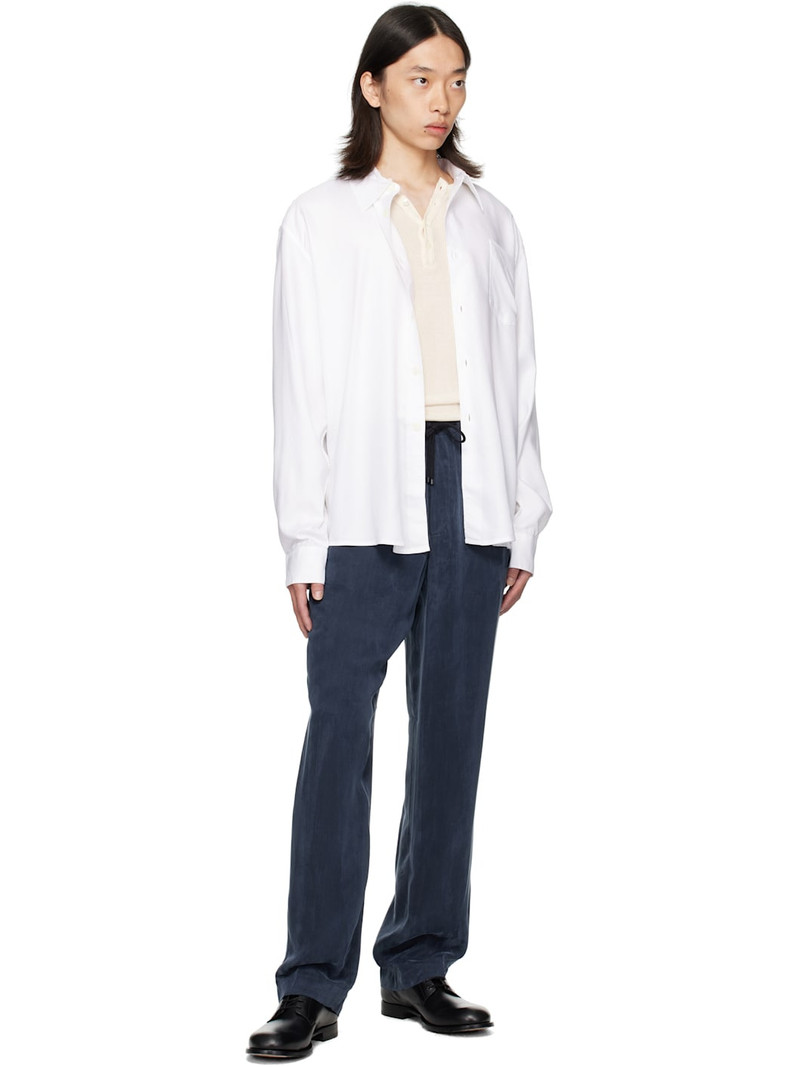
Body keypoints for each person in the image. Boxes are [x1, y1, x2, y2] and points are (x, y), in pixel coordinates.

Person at [247, 4, 553, 1059]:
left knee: (451, 731)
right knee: (339, 727)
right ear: (371, 85)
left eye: (457, 79)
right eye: (421, 78)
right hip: (363, 494)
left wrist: (524, 517)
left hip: (472, 486)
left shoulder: (490, 220)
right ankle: (310, 981)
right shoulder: (319, 218)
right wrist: (303, 537)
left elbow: (519, 378)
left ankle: (419, 961)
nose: (443, 99)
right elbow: (299, 383)